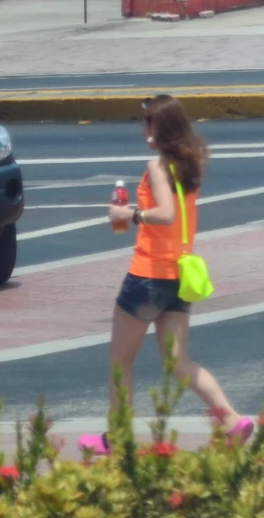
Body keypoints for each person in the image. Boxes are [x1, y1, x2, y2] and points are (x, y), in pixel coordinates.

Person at [106, 94, 250, 438]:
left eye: (146, 122)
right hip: (177, 275)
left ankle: (119, 437)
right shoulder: (190, 164)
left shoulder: (158, 166)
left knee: (120, 361)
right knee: (179, 363)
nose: (143, 128)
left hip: (147, 274)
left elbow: (166, 213)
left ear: (158, 127)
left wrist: (130, 214)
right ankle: (231, 419)